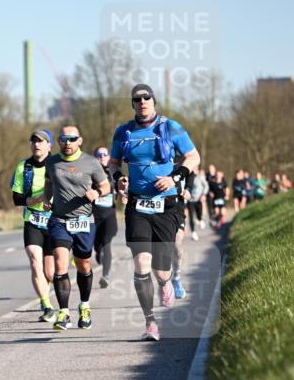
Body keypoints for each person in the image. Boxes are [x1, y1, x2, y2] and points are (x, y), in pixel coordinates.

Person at [108, 84, 200, 341]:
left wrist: (175, 177)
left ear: (153, 101)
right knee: (141, 265)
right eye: (137, 99)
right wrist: (118, 179)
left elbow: (193, 156)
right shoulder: (123, 131)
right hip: (137, 204)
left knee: (161, 270)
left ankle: (166, 282)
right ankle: (150, 323)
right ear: (133, 104)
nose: (142, 102)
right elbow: (114, 162)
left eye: (146, 98)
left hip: (166, 203)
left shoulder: (170, 127)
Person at [44, 125, 111, 330]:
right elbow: (48, 183)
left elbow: (106, 186)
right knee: (60, 265)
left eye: (72, 139)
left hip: (84, 221)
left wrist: (97, 194)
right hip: (59, 220)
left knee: (85, 266)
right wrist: (47, 199)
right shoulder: (52, 162)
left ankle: (84, 306)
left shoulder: (91, 162)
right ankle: (63, 313)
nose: (68, 142)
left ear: (79, 141)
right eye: (64, 139)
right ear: (58, 141)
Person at [10, 129, 55, 321]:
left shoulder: (58, 165)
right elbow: (17, 198)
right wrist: (37, 199)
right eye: (34, 141)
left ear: (49, 145)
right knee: (35, 262)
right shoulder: (24, 167)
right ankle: (46, 306)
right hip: (33, 220)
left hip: (54, 221)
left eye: (41, 141)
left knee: (50, 272)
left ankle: (50, 294)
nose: (37, 144)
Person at [92, 145, 119, 288]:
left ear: (108, 157)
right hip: (94, 214)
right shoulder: (90, 173)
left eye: (104, 154)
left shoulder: (114, 173)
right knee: (97, 245)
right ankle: (97, 252)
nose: (102, 157)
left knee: (107, 243)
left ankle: (105, 276)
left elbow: (121, 189)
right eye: (99, 154)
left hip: (109, 214)